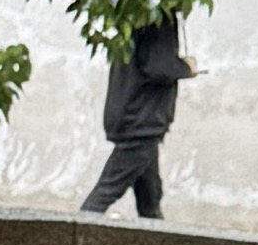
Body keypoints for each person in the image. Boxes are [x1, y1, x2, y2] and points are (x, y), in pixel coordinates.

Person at [82, 12, 192, 220]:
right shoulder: (159, 18)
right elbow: (160, 67)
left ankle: (157, 240)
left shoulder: (133, 11)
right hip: (142, 122)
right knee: (106, 192)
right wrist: (186, 67)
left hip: (133, 117)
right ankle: (72, 233)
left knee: (150, 199)